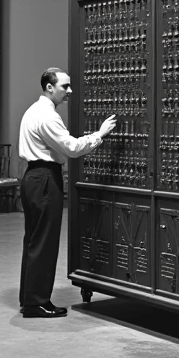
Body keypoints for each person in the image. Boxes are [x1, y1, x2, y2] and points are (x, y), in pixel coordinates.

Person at [18, 67, 116, 318]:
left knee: (33, 240)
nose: (70, 91)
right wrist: (99, 135)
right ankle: (37, 302)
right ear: (49, 87)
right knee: (44, 242)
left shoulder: (32, 110)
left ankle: (29, 298)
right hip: (44, 179)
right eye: (65, 86)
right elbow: (71, 148)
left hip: (32, 176)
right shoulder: (47, 116)